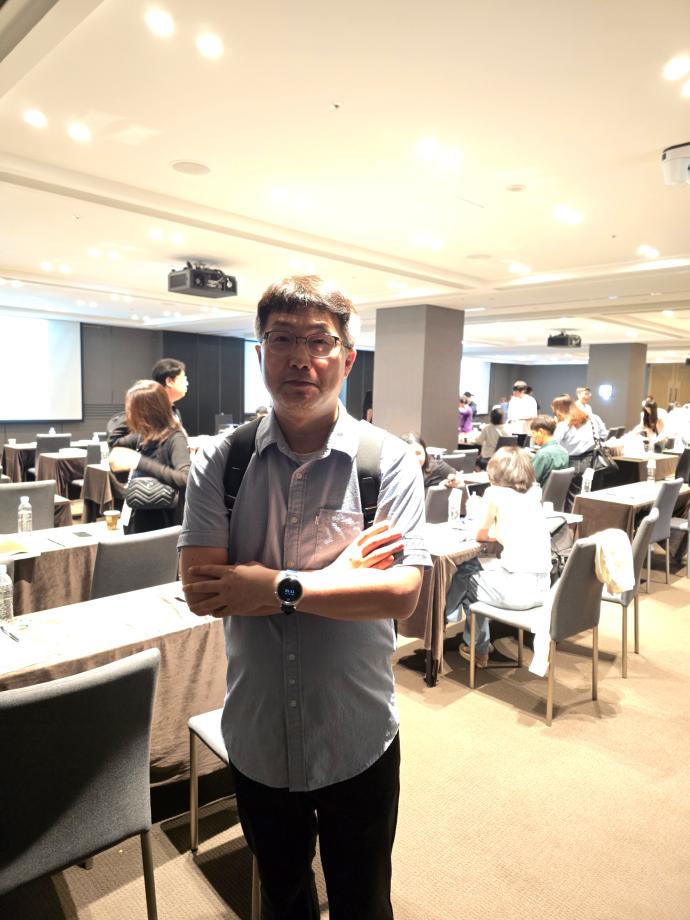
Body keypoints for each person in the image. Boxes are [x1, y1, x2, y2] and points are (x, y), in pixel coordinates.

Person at [178, 275, 430, 920]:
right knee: (282, 898)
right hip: (258, 734)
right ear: (260, 352)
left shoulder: (388, 462)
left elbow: (400, 594)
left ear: (347, 358)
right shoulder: (220, 462)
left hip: (357, 733)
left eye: (319, 341)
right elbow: (203, 591)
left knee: (363, 901)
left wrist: (275, 587)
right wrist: (343, 574)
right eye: (282, 339)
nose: (301, 358)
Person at [444, 447, 551, 668]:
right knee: (475, 569)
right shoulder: (535, 493)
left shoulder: (495, 494)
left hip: (516, 593)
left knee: (466, 574)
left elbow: (480, 534)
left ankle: (474, 645)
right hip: (543, 592)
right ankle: (450, 618)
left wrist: (492, 531)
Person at [108, 379, 191, 533]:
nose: (129, 414)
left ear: (147, 411)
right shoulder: (143, 436)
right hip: (139, 517)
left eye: (132, 409)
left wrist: (139, 462)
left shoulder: (175, 437)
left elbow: (186, 479)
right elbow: (114, 442)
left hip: (165, 524)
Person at [107, 357, 189, 448]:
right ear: (169, 381)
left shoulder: (174, 411)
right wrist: (149, 436)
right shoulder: (148, 408)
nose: (187, 383)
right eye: (184, 379)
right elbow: (114, 440)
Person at [551, 394, 595, 509]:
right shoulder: (588, 419)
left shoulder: (563, 425)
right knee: (582, 495)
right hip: (590, 460)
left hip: (572, 461)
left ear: (559, 409)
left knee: (571, 498)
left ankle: (571, 520)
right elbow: (601, 435)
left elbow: (554, 443)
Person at [530, 415, 570, 487]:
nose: (533, 437)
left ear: (540, 432)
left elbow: (529, 481)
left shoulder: (543, 455)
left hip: (539, 493)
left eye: (533, 433)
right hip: (556, 493)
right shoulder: (564, 452)